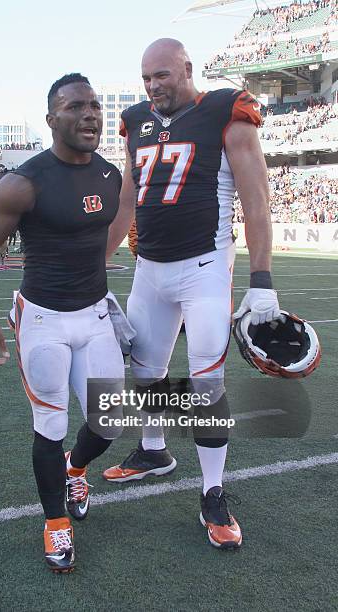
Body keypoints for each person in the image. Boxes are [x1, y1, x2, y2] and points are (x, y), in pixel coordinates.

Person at [104, 38, 281, 549]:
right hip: (149, 268)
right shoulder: (136, 120)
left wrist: (262, 281)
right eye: (145, 78)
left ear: (186, 68)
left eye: (162, 75)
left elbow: (257, 201)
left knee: (206, 383)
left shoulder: (227, 109)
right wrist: (96, 272)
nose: (153, 86)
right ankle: (154, 451)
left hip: (205, 266)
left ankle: (212, 491)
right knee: (145, 370)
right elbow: (125, 206)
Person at [0, 73, 125, 573]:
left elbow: (108, 229)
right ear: (51, 118)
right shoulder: (25, 180)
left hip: (96, 313)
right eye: (76, 106)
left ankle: (76, 470)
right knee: (50, 427)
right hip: (45, 320)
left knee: (110, 421)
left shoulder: (108, 174)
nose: (89, 114)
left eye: (95, 105)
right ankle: (56, 524)